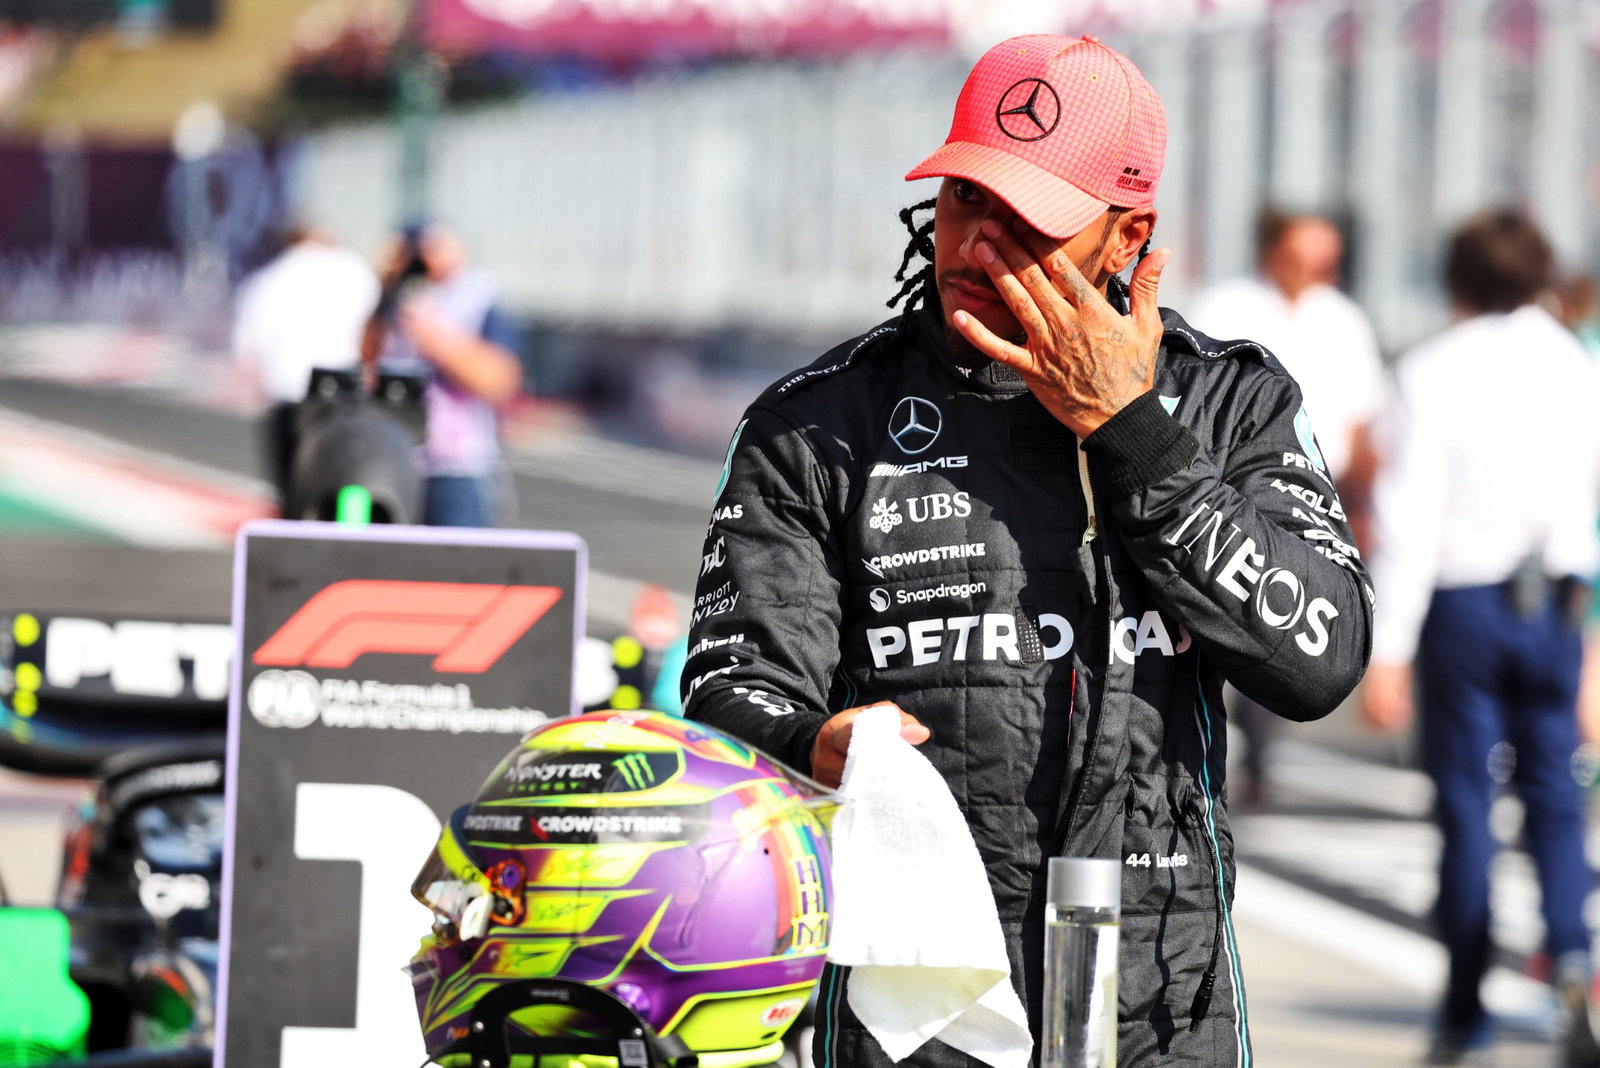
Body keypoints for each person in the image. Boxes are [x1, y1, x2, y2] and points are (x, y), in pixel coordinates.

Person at [682, 33, 1372, 1068]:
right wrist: (811, 742)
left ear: (1125, 233)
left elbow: (1317, 658)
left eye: (1028, 222)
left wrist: (1130, 431)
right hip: (911, 988)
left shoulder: (1231, 399)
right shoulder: (817, 422)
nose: (977, 246)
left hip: (1159, 992)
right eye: (966, 201)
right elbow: (730, 688)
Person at [1362, 210, 1600, 1066]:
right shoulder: (1574, 363)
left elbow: (1407, 522)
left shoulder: (1431, 371)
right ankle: (1572, 953)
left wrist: (1388, 652)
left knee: (1466, 803)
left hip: (1462, 603)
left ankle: (1466, 1007)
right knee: (1556, 794)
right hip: (1558, 598)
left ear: (1458, 280)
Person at [1189, 209, 1387, 807]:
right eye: (1303, 255)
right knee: (1236, 606)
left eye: (1324, 259)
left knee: (1292, 616)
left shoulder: (1343, 320)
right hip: (1238, 487)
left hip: (1316, 490)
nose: (1313, 270)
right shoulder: (1225, 306)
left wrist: (1360, 498)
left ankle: (1262, 748)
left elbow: (1362, 416)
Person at [365, 222, 524, 526]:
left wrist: (432, 333)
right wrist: (386, 288)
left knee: (458, 567)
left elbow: (499, 380)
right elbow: (367, 361)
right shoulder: (393, 298)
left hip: (455, 466)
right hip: (391, 457)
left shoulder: (477, 299)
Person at [232, 224, 380, 511]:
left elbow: (249, 346)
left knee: (293, 491)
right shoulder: (354, 270)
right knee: (344, 485)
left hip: (288, 396)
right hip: (343, 396)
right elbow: (374, 332)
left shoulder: (270, 278)